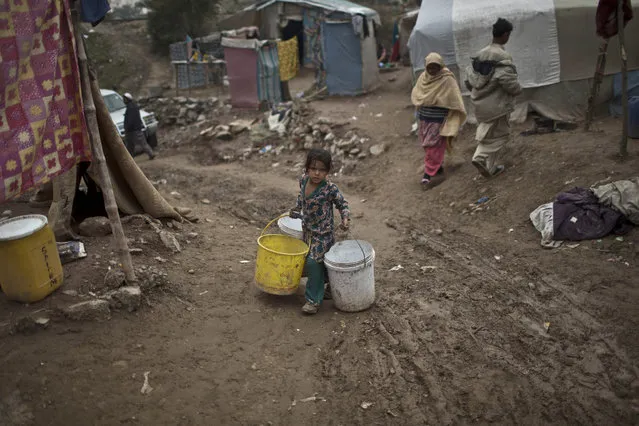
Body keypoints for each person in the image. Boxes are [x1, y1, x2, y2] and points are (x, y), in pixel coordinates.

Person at [290, 149, 350, 315]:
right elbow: (301, 198)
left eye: (322, 170)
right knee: (308, 260)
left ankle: (313, 300)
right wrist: (296, 209)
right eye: (313, 168)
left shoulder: (330, 189)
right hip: (307, 231)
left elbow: (342, 204)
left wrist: (345, 219)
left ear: (328, 171)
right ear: (307, 168)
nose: (317, 173)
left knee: (312, 263)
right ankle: (330, 285)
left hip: (323, 234)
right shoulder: (303, 181)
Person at [464, 18, 521, 178]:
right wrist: (517, 90)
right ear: (505, 34)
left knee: (490, 134)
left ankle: (491, 167)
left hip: (480, 104)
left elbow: (469, 80)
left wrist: (477, 93)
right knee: (502, 135)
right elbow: (508, 82)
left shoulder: (480, 55)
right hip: (497, 105)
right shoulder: (502, 56)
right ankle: (479, 157)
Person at [411, 52, 467, 187]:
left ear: (441, 66)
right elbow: (417, 94)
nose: (432, 70)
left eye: (435, 67)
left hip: (438, 120)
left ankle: (428, 174)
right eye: (429, 67)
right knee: (427, 144)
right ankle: (438, 167)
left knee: (433, 144)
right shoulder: (424, 77)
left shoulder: (447, 79)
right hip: (424, 118)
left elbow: (454, 98)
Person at [123, 93, 155, 160]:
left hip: (132, 130)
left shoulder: (130, 107)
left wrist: (127, 127)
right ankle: (131, 158)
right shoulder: (134, 106)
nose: (123, 100)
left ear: (127, 99)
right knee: (134, 144)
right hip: (136, 129)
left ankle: (150, 154)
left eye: (124, 99)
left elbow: (131, 120)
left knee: (133, 145)